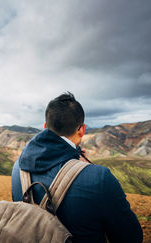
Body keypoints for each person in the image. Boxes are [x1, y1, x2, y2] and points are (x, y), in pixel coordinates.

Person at [11, 92, 143, 243]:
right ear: (82, 130)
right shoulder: (99, 178)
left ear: (45, 127)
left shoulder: (18, 169)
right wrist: (85, 169)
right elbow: (131, 237)